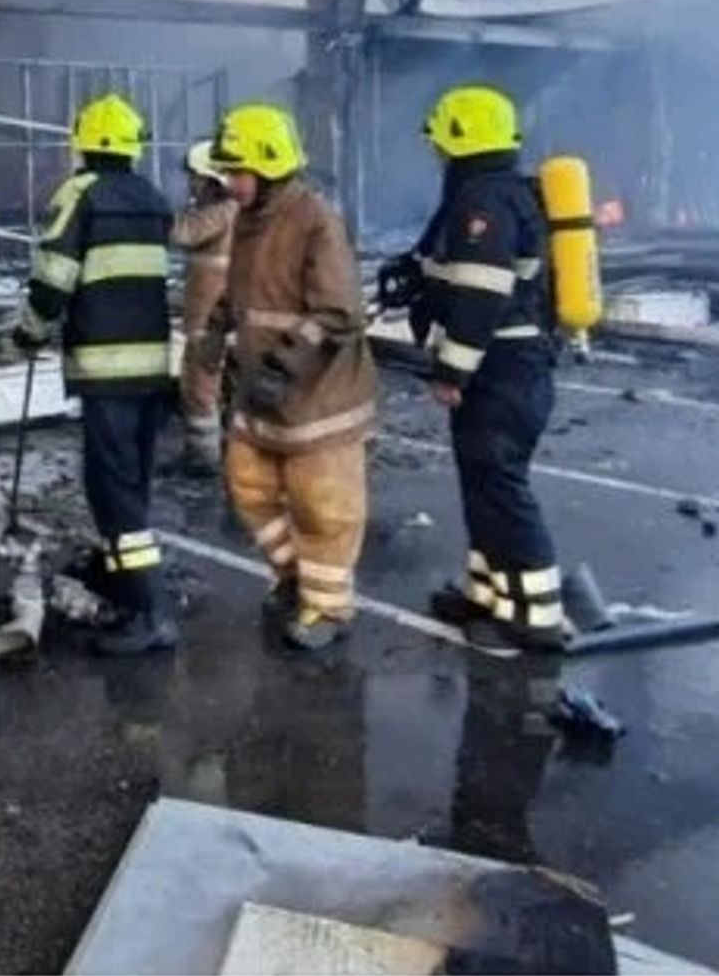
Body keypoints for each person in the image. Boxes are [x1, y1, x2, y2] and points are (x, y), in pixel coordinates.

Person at [400, 85, 564, 652]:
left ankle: (535, 617)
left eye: (441, 143)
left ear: (459, 139)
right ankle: (490, 594)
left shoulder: (484, 204)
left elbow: (481, 294)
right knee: (483, 487)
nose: (437, 155)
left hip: (502, 368)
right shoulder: (501, 193)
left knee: (501, 486)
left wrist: (451, 372)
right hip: (511, 366)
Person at [13, 94, 177, 656]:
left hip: (104, 369)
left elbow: (53, 276)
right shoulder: (154, 200)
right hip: (153, 368)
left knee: (112, 489)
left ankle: (150, 610)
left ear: (82, 142)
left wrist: (29, 331)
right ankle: (117, 570)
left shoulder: (80, 195)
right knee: (132, 479)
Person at [209, 103, 376, 652]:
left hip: (316, 399)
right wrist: (214, 329)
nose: (230, 185)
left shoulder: (315, 221)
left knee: (322, 505)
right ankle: (295, 578)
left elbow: (339, 314)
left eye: (238, 173)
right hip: (262, 393)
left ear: (271, 166)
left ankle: (328, 606)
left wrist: (283, 365)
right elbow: (244, 294)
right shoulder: (251, 220)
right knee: (249, 486)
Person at [170, 140, 238, 476]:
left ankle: (202, 457)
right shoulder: (234, 211)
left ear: (212, 180)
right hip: (220, 317)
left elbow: (181, 233)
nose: (190, 183)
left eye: (195, 177)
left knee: (199, 387)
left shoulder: (219, 212)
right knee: (223, 387)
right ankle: (227, 452)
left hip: (209, 319)